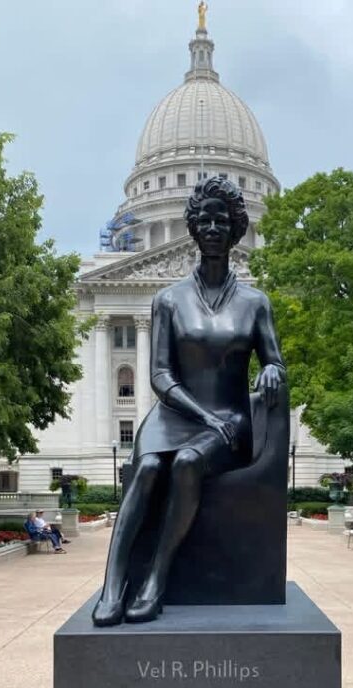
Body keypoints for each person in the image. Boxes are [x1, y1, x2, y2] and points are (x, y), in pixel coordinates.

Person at [92, 175, 285, 627]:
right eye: (205, 220)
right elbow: (159, 375)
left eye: (224, 221)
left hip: (231, 420)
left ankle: (155, 579)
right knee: (148, 467)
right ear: (192, 229)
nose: (214, 228)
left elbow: (273, 360)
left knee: (184, 464)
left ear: (238, 230)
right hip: (175, 412)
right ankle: (112, 585)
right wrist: (200, 415)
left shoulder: (256, 302)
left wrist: (274, 369)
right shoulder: (167, 299)